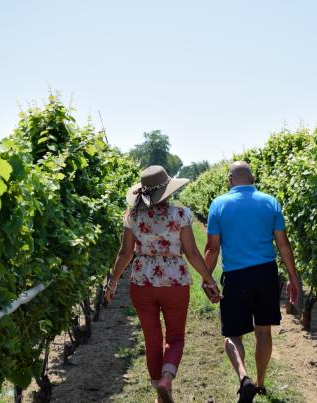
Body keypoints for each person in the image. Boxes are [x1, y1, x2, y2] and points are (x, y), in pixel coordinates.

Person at [105, 165, 220, 403]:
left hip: (142, 282)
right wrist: (209, 280)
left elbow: (125, 253)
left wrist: (112, 282)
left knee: (152, 337)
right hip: (175, 281)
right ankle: (167, 380)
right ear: (167, 191)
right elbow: (192, 253)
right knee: (175, 336)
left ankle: (158, 387)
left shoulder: (132, 216)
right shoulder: (181, 215)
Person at [204, 161, 301, 403]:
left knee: (233, 334)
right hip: (266, 274)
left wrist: (207, 280)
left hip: (237, 277)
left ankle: (243, 377)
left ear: (229, 180)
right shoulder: (270, 202)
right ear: (253, 178)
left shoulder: (219, 204)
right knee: (263, 330)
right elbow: (283, 243)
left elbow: (213, 248)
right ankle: (260, 381)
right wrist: (293, 277)